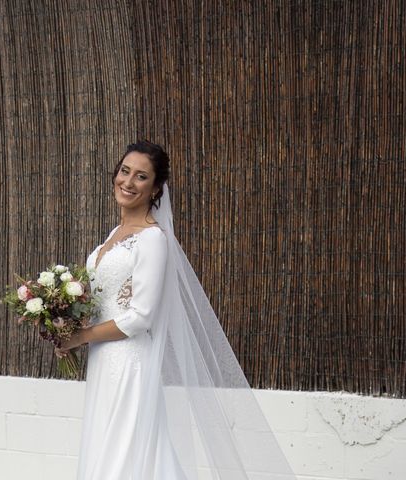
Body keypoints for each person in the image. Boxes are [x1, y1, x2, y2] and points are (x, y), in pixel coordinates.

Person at [59, 140, 296, 479]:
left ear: (155, 188)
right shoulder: (115, 233)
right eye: (125, 171)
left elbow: (141, 316)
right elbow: (104, 300)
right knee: (108, 448)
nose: (128, 182)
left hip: (129, 362)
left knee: (125, 454)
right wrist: (64, 329)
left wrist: (81, 337)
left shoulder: (152, 239)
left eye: (141, 177)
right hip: (103, 360)